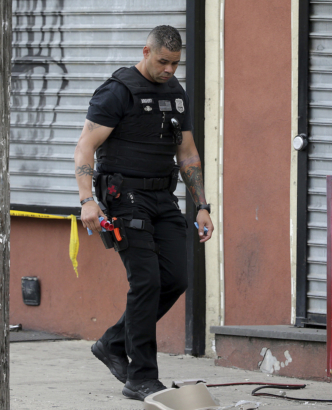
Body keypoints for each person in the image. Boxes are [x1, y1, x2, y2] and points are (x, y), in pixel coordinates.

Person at [73, 25, 213, 401]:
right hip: (124, 198)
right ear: (146, 51)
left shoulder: (175, 93)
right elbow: (86, 146)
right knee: (146, 281)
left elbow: (187, 152)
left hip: (162, 198)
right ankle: (142, 376)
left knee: (176, 278)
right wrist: (88, 200)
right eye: (163, 61)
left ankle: (113, 344)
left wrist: (201, 205)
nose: (169, 69)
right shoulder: (118, 90)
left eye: (175, 63)